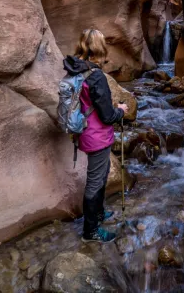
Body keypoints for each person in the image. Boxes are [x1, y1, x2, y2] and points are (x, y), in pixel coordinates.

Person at [63, 29, 129, 243]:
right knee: (95, 181)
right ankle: (90, 231)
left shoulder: (76, 70)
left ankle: (99, 213)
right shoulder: (96, 75)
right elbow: (108, 116)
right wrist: (120, 110)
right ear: (99, 48)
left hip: (85, 131)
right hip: (97, 136)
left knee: (100, 175)